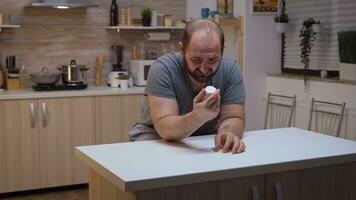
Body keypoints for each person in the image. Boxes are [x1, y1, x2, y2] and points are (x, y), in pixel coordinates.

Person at [129, 19, 246, 154]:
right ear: (182, 50)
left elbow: (234, 117)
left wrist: (228, 133)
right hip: (156, 138)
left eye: (213, 60)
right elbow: (164, 127)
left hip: (202, 140)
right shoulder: (163, 69)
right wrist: (197, 117)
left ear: (223, 50)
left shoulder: (230, 69)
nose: (204, 68)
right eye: (196, 59)